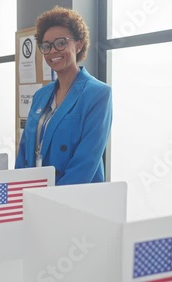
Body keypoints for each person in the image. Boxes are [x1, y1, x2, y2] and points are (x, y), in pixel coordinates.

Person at [15, 6, 112, 185]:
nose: (53, 51)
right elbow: (24, 151)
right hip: (33, 192)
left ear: (78, 44)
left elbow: (86, 162)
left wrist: (53, 199)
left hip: (73, 198)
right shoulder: (40, 95)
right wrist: (19, 190)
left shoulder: (97, 94)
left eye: (61, 43)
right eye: (46, 46)